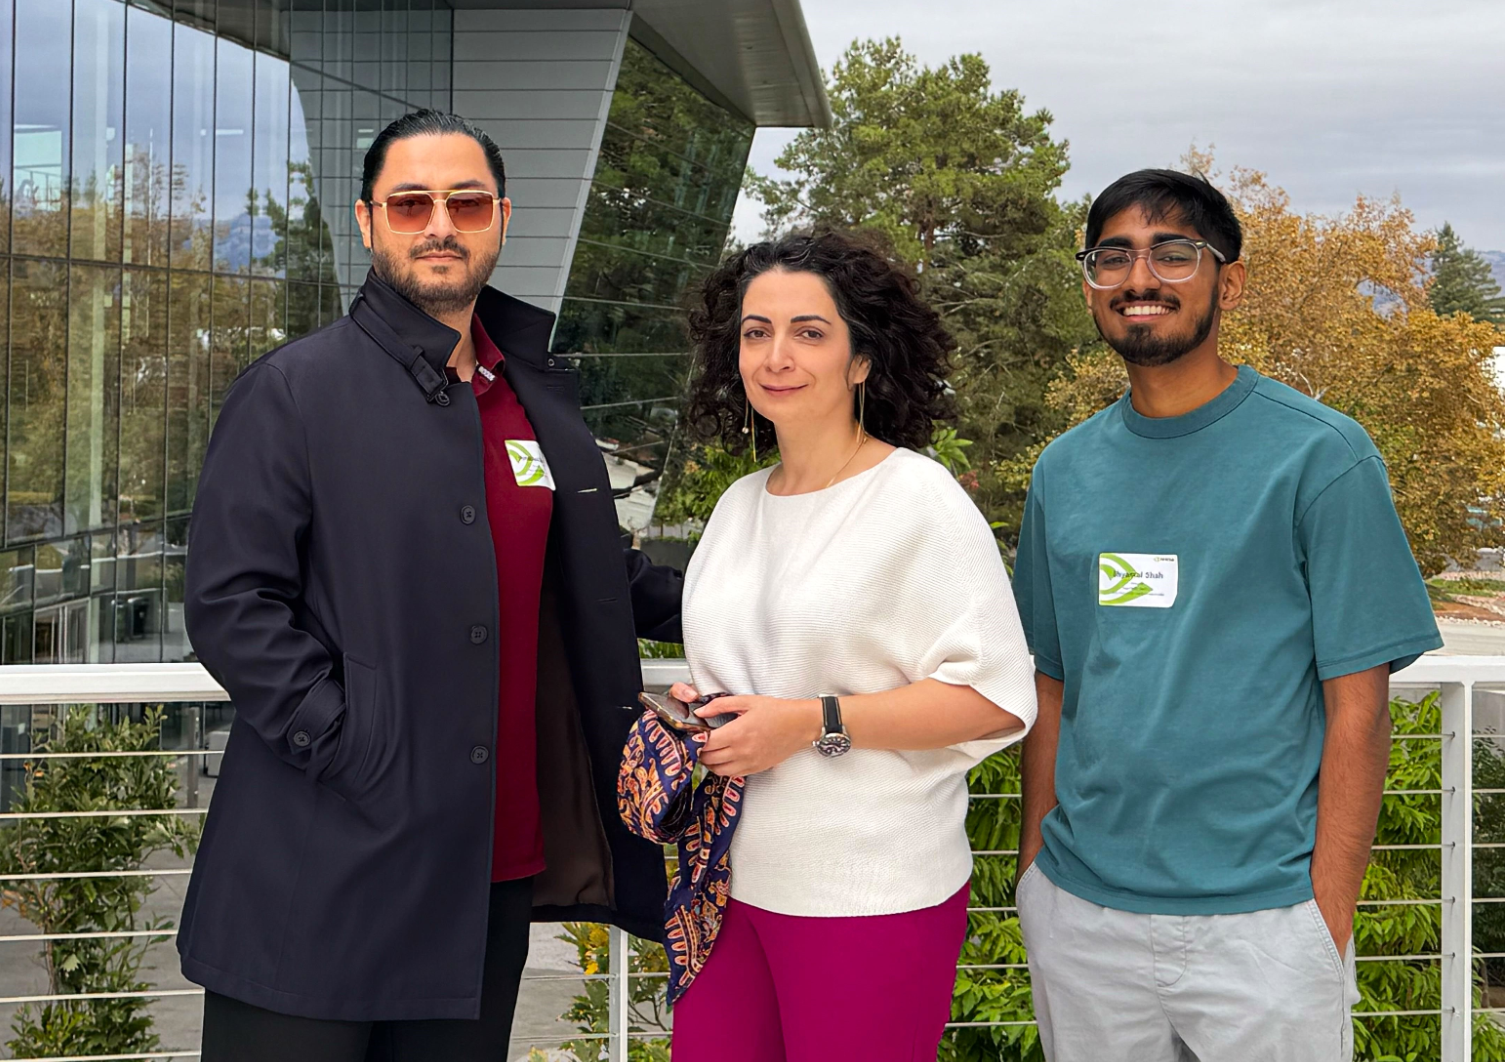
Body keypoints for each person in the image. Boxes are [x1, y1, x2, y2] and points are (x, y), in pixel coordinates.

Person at [178, 108, 686, 1062]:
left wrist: (767, 584)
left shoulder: (530, 401)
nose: (439, 223)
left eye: (465, 201)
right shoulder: (294, 391)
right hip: (321, 861)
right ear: (368, 223)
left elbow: (594, 575)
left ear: (501, 217)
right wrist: (352, 744)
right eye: (411, 203)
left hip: (482, 870)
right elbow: (230, 603)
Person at [1012, 168, 1442, 1062]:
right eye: (1112, 256)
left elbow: (1356, 710)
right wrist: (1032, 883)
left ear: (1228, 281)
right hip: (1082, 921)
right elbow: (1052, 689)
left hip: (1264, 927)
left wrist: (1322, 916)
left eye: (1173, 253)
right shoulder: (1064, 471)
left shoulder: (1320, 457)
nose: (1140, 279)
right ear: (1090, 282)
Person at [666, 228, 1037, 1062]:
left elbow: (992, 698)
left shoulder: (916, 500)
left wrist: (808, 721)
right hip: (727, 885)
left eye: (809, 331)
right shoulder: (738, 505)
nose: (776, 355)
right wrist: (704, 714)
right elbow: (754, 673)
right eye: (756, 332)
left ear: (862, 360)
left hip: (866, 895)